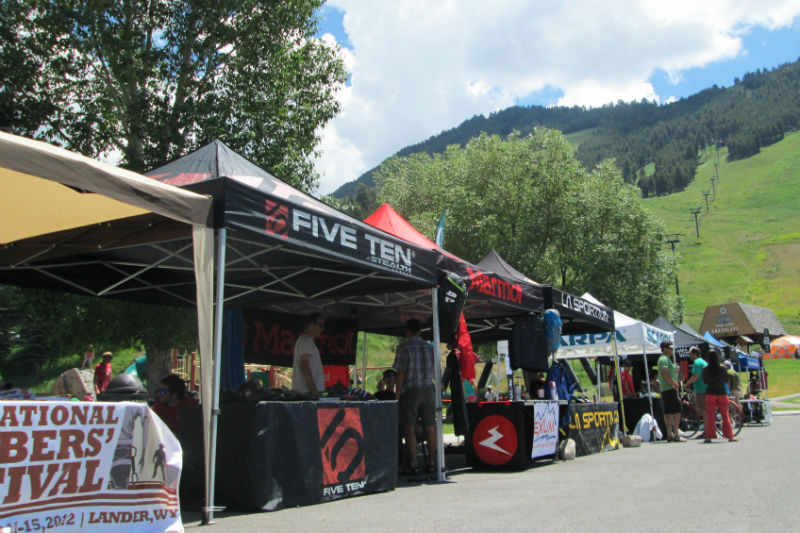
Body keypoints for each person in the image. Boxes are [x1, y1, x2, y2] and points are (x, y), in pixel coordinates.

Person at [393, 318, 436, 474]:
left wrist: (397, 394)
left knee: (409, 428)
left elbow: (401, 372)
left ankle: (413, 464)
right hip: (428, 388)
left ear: (407, 331)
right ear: (420, 331)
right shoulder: (429, 347)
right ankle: (432, 462)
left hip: (412, 389)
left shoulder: (404, 347)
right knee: (430, 426)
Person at [701, 349, 737, 442]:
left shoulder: (705, 369)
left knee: (710, 416)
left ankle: (709, 436)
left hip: (710, 393)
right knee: (725, 415)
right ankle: (730, 436)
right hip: (722, 393)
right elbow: (726, 380)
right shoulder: (723, 368)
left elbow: (705, 381)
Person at [291, 313, 326, 399]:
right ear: (311, 325)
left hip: (308, 393)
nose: (322, 329)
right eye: (320, 325)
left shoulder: (306, 341)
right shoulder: (305, 341)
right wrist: (314, 391)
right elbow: (304, 367)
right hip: (308, 394)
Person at [657, 340, 685, 442]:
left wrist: (675, 371)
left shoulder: (666, 359)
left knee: (668, 412)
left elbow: (669, 372)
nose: (672, 350)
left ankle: (670, 434)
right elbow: (665, 373)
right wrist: (674, 383)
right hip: (669, 389)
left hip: (666, 389)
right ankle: (676, 434)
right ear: (664, 349)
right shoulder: (664, 359)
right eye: (670, 348)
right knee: (677, 410)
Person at [683, 346, 708, 438]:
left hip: (701, 390)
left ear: (695, 354)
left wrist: (685, 384)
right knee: (705, 411)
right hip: (705, 388)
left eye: (690, 354)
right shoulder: (703, 362)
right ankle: (708, 430)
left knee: (704, 411)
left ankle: (706, 431)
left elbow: (695, 376)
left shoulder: (697, 362)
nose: (690, 356)